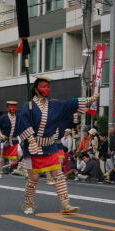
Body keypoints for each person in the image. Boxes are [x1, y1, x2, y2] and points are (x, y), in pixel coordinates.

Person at [17, 76, 98, 214]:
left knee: (58, 175)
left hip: (50, 146)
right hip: (33, 147)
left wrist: (88, 100)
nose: (47, 89)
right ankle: (28, 204)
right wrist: (30, 141)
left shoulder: (54, 105)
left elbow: (69, 103)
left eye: (48, 86)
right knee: (34, 178)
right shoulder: (28, 106)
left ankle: (65, 204)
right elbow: (24, 123)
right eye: (43, 86)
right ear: (36, 89)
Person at [0, 101, 22, 179]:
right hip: (5, 141)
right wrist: (0, 135)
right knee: (2, 157)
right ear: (8, 108)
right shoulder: (3, 117)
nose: (13, 108)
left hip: (15, 140)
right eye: (11, 107)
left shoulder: (19, 117)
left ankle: (25, 172)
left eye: (14, 107)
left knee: (21, 156)